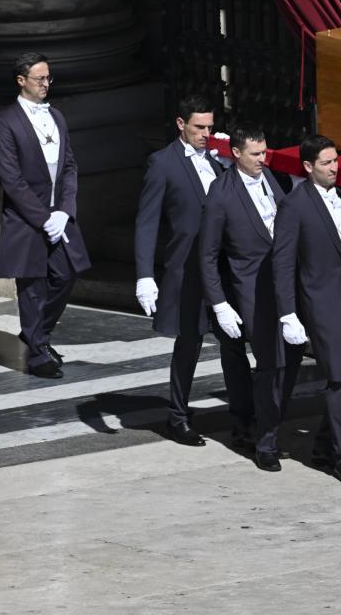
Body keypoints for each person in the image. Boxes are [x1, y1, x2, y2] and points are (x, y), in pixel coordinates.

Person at [135, 95, 251, 446]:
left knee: (233, 343)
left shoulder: (221, 162)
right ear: (181, 124)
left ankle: (244, 418)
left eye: (210, 127)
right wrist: (144, 275)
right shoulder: (163, 163)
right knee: (189, 343)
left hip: (222, 268)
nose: (206, 133)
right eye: (199, 127)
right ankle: (178, 416)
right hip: (187, 270)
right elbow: (147, 222)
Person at [272, 135, 341, 485]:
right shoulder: (295, 205)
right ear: (309, 167)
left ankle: (326, 444)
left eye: (336, 160)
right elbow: (282, 263)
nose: (335, 167)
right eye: (327, 162)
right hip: (322, 301)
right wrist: (288, 313)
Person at [0, 52, 91, 379]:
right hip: (26, 218)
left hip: (58, 214)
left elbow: (70, 167)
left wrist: (64, 211)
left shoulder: (57, 117)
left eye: (48, 78)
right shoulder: (4, 122)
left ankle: (36, 335)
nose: (46, 84)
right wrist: (42, 217)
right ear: (21, 81)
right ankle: (37, 353)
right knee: (32, 285)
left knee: (66, 274)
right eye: (39, 79)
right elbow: (11, 179)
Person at [200, 126, 296, 471]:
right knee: (270, 365)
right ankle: (265, 442)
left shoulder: (272, 179)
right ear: (236, 153)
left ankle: (265, 424)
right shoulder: (221, 193)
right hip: (252, 289)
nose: (262, 159)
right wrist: (220, 303)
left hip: (286, 287)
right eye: (255, 153)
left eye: (265, 152)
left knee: (288, 362)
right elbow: (208, 254)